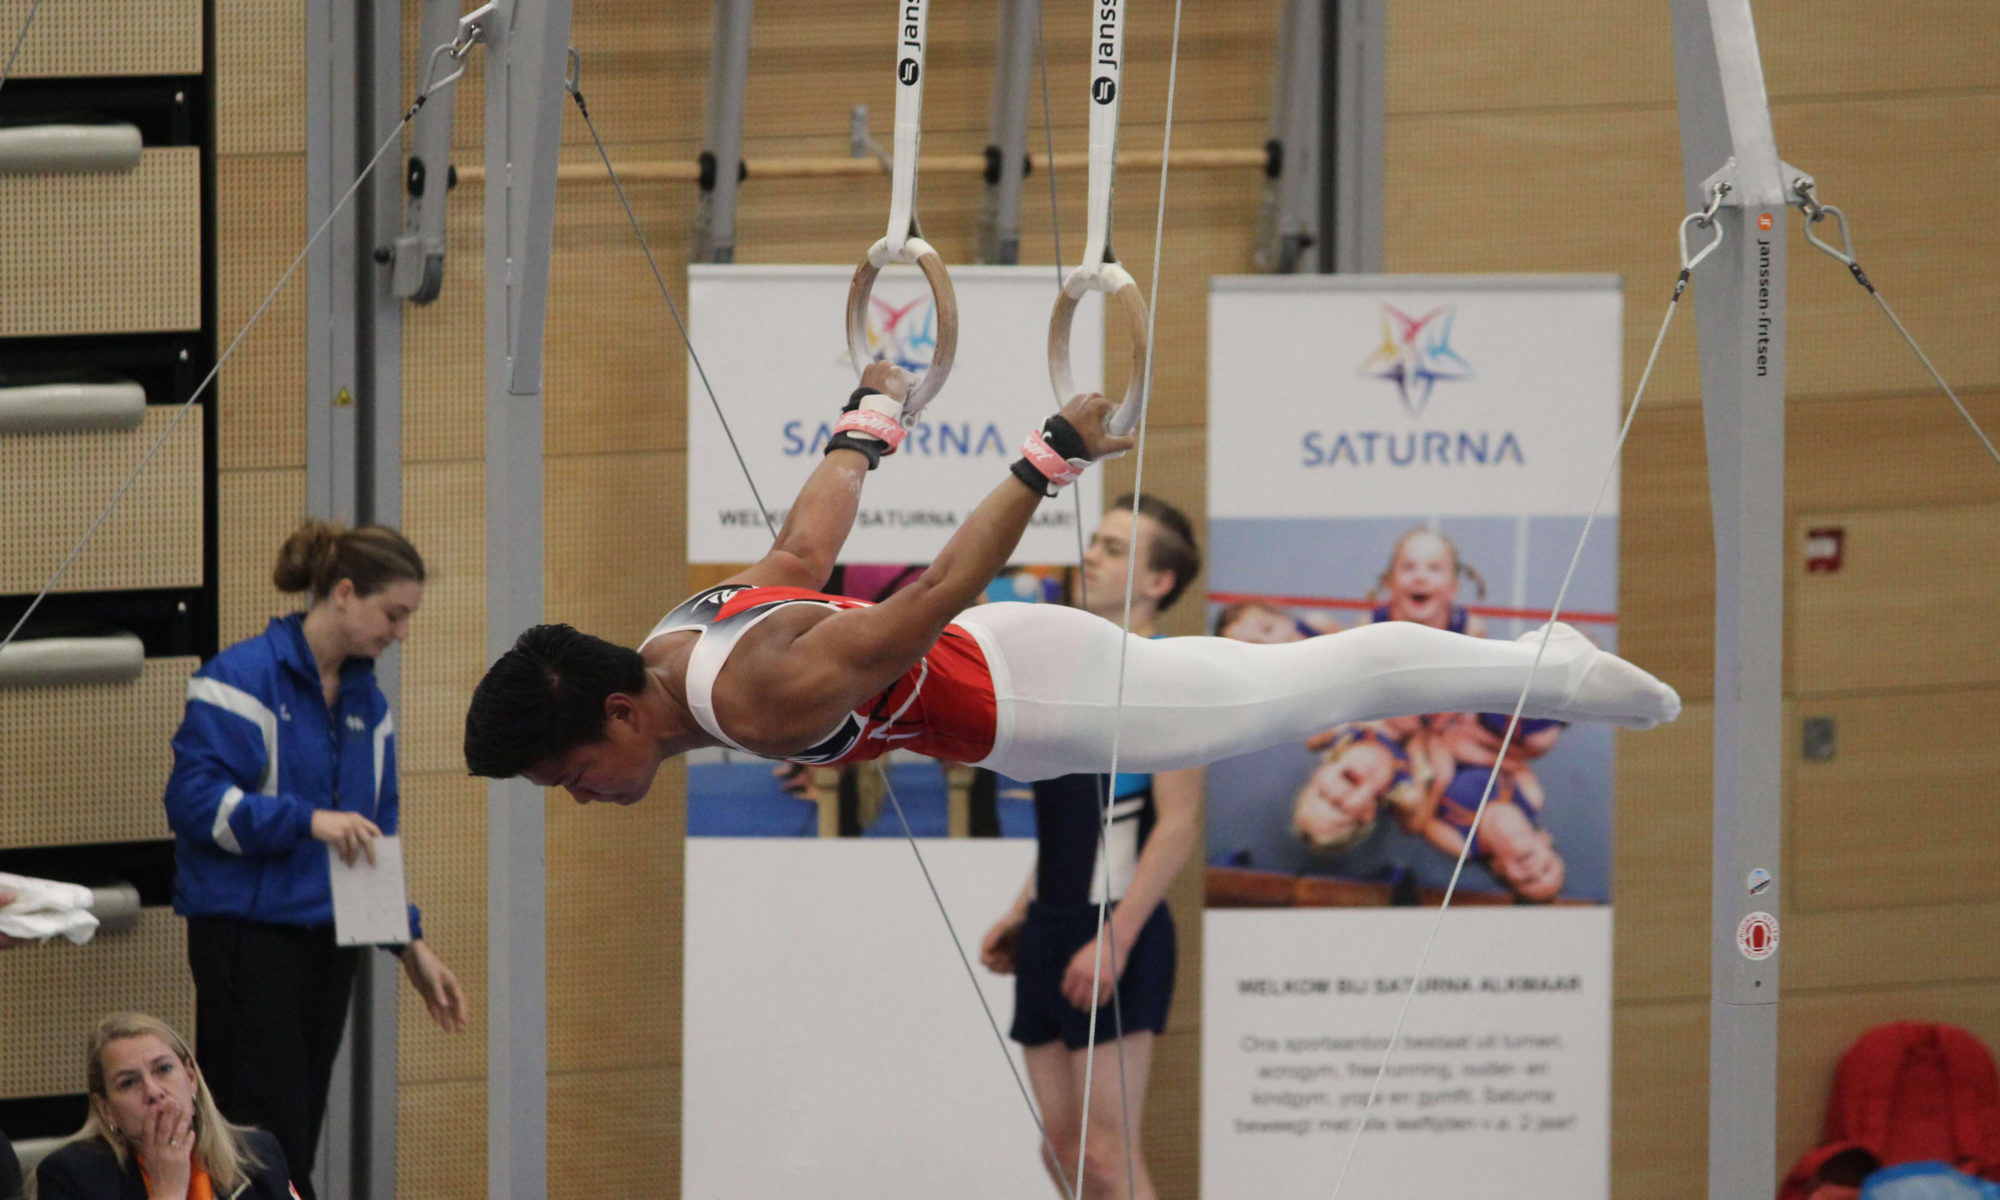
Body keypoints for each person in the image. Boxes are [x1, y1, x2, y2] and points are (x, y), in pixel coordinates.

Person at [462, 363, 1680, 805]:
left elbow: (934, 586)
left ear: (617, 714)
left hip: (1037, 701)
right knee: (1295, 681)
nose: (579, 799)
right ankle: (1551, 671)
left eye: (569, 776)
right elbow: (795, 553)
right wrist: (864, 425)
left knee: (1320, 683)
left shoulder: (760, 699)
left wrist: (1045, 456)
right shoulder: (666, 647)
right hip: (1006, 693)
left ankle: (1556, 671)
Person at [162, 521, 467, 1200]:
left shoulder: (370, 706)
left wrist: (410, 946)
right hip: (247, 938)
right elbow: (194, 806)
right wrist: (306, 820)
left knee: (294, 1135)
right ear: (345, 594)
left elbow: (372, 839)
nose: (402, 634)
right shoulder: (238, 679)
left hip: (327, 946)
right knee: (258, 1141)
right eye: (395, 614)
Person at [978, 496, 1203, 1200]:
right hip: (1053, 924)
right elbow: (1075, 822)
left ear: (1158, 581)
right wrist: (1024, 911)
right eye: (1095, 542)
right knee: (1064, 1154)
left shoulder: (1171, 675)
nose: (1090, 557)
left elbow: (1176, 823)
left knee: (1108, 1158)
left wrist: (1116, 938)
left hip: (1117, 927)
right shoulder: (1068, 670)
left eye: (1111, 547)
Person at [33, 1012, 299, 1200]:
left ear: (191, 1079)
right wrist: (167, 1193)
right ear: (106, 1109)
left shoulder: (258, 1154)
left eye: (163, 1069)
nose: (153, 1091)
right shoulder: (71, 1177)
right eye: (128, 1083)